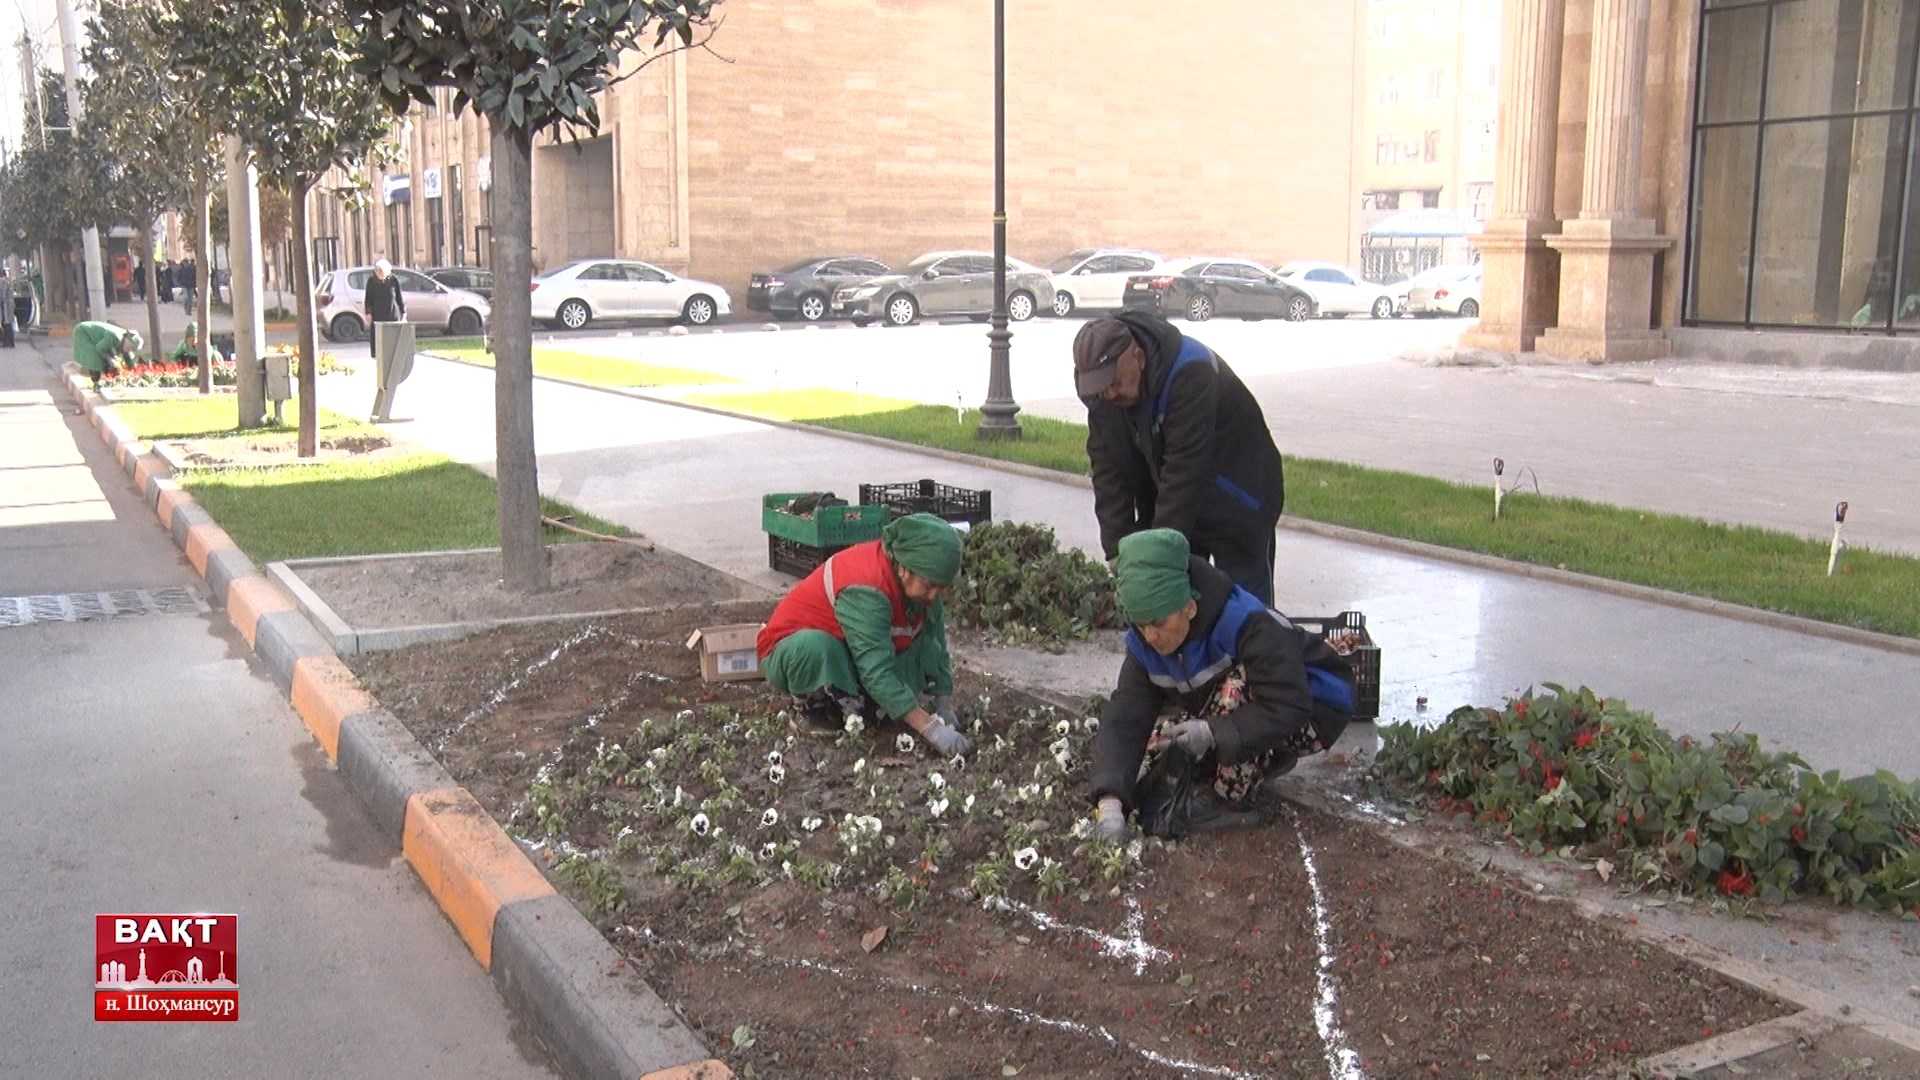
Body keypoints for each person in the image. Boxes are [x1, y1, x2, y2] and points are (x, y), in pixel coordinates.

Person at [1087, 529, 1356, 839]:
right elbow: (1126, 716)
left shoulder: (1245, 622)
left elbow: (1288, 704)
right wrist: (1110, 801)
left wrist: (1213, 732)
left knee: (1235, 688)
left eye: (1158, 623)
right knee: (1164, 738)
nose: (1150, 636)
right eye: (1140, 623)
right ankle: (1262, 758)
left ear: (1189, 607)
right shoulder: (1146, 642)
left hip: (1313, 708)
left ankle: (1231, 800)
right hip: (1263, 709)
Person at [1074, 312, 1286, 605]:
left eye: (1115, 381)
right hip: (1180, 506)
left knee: (1246, 612)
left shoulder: (1191, 370)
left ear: (1137, 356)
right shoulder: (1102, 394)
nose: (1110, 392)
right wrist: (1118, 552)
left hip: (1239, 499)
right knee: (1178, 611)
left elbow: (1184, 472)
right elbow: (1108, 469)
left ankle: (1255, 651)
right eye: (1100, 386)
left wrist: (1156, 556)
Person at [756, 513, 973, 759]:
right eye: (929, 585)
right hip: (789, 650)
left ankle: (856, 700)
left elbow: (935, 645)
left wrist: (942, 701)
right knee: (817, 649)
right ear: (904, 569)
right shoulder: (868, 587)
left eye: (942, 587)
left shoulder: (921, 586)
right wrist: (930, 728)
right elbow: (875, 670)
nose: (934, 595)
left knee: (905, 674)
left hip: (849, 648)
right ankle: (811, 706)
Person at [72, 321, 143, 389]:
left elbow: (127, 356)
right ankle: (96, 382)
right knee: (95, 359)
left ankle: (108, 380)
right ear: (127, 342)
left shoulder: (125, 340)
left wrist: (133, 369)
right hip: (83, 332)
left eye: (132, 349)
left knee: (110, 361)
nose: (129, 350)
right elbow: (100, 348)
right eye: (129, 348)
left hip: (99, 340)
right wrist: (110, 360)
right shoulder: (114, 336)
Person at [364, 258, 406, 358]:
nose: (380, 274)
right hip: (377, 314)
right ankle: (378, 355)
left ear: (388, 272)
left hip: (392, 314)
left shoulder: (393, 280)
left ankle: (393, 355)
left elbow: (399, 297)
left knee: (393, 337)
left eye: (382, 272)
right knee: (378, 338)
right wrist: (368, 313)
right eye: (378, 272)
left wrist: (403, 312)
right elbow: (368, 299)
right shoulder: (371, 281)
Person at [0, 272, 14, 349]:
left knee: (6, 324)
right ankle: (10, 342)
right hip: (8, 306)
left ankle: (7, 342)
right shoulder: (6, 281)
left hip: (6, 306)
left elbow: (3, 296)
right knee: (8, 324)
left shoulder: (2, 281)